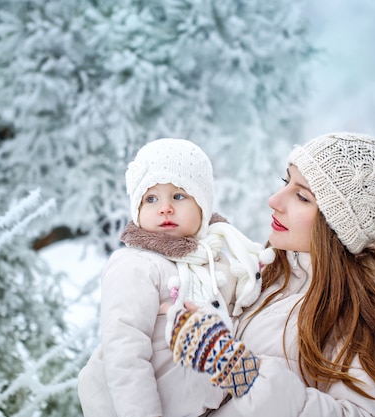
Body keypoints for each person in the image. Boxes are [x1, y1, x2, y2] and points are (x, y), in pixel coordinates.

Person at [166, 132, 375, 417]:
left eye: (302, 196)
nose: (274, 200)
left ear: (340, 228)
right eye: (285, 181)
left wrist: (239, 371)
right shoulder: (280, 270)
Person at [77, 138, 274, 417]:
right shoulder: (135, 265)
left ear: (203, 205)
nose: (165, 208)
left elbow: (243, 318)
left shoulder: (216, 263)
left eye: (178, 196)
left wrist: (254, 279)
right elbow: (125, 355)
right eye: (151, 198)